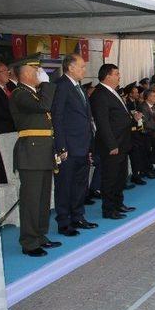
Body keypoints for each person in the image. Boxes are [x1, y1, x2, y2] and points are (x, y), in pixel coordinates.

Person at [8, 56, 61, 257]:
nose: (39, 73)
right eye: (35, 70)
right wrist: (47, 85)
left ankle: (40, 235)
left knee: (43, 198)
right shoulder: (19, 94)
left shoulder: (35, 93)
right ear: (26, 74)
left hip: (43, 151)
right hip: (30, 153)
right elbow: (43, 107)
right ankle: (29, 242)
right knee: (31, 199)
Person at [51, 54, 97, 237]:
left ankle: (78, 216)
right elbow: (58, 118)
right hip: (68, 147)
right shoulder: (61, 86)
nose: (84, 70)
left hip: (82, 145)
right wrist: (61, 147)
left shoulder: (78, 87)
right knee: (65, 185)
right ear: (70, 67)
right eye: (82, 66)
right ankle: (64, 222)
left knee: (80, 184)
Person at [90, 64, 140, 220]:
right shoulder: (100, 94)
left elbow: (119, 116)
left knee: (120, 176)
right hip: (112, 144)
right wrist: (111, 145)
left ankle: (118, 204)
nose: (119, 76)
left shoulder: (112, 92)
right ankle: (109, 209)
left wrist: (133, 119)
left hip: (123, 142)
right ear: (107, 76)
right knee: (110, 178)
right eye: (116, 74)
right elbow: (102, 123)